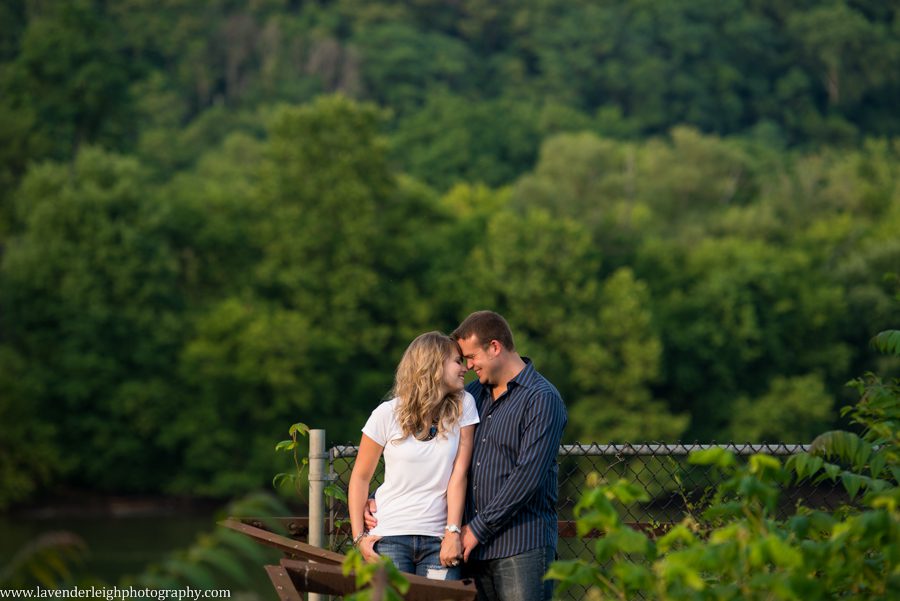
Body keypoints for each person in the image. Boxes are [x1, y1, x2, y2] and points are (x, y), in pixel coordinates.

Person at [366, 311, 567, 601]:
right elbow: (436, 460)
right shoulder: (469, 397)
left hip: (520, 545)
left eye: (471, 357)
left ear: (495, 347)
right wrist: (380, 498)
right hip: (470, 551)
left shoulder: (542, 398)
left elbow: (528, 476)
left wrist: (476, 529)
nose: (468, 366)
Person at [348, 331, 479, 580]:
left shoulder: (464, 405)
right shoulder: (386, 414)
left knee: (442, 599)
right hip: (389, 537)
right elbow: (360, 477)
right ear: (434, 365)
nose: (465, 368)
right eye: (457, 361)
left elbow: (459, 474)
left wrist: (452, 532)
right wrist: (359, 539)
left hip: (439, 541)